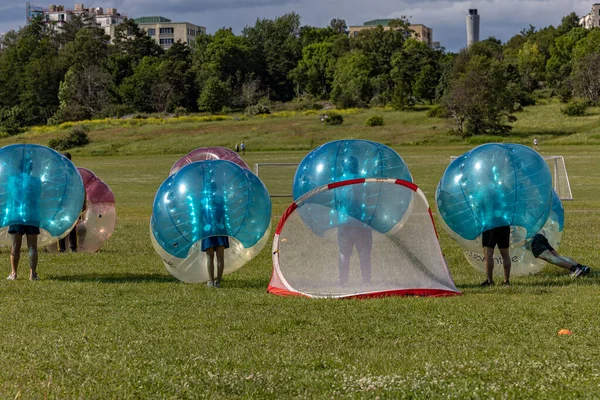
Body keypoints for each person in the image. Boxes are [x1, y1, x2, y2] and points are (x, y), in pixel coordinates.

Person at [336, 156, 372, 286]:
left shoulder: (338, 181)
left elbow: (337, 201)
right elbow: (370, 199)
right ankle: (366, 280)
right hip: (361, 223)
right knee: (364, 253)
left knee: (344, 253)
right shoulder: (364, 180)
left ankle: (343, 281)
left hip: (344, 223)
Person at [7, 159, 41, 281]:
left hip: (16, 216)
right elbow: (38, 196)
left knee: (15, 246)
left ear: (18, 167)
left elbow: (12, 195)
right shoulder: (36, 181)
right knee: (32, 246)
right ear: (31, 168)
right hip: (32, 215)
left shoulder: (12, 180)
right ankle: (32, 274)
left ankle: (14, 273)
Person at [201, 182, 229, 288]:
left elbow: (201, 217)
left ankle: (212, 281)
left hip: (209, 231)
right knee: (219, 257)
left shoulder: (203, 201)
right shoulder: (220, 200)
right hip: (219, 229)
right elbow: (224, 215)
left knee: (211, 257)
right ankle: (217, 281)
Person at [58, 152, 86, 252]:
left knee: (64, 225)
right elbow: (82, 188)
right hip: (71, 202)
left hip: (65, 203)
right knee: (69, 226)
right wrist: (84, 202)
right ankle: (71, 247)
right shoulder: (74, 172)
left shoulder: (61, 172)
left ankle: (64, 248)